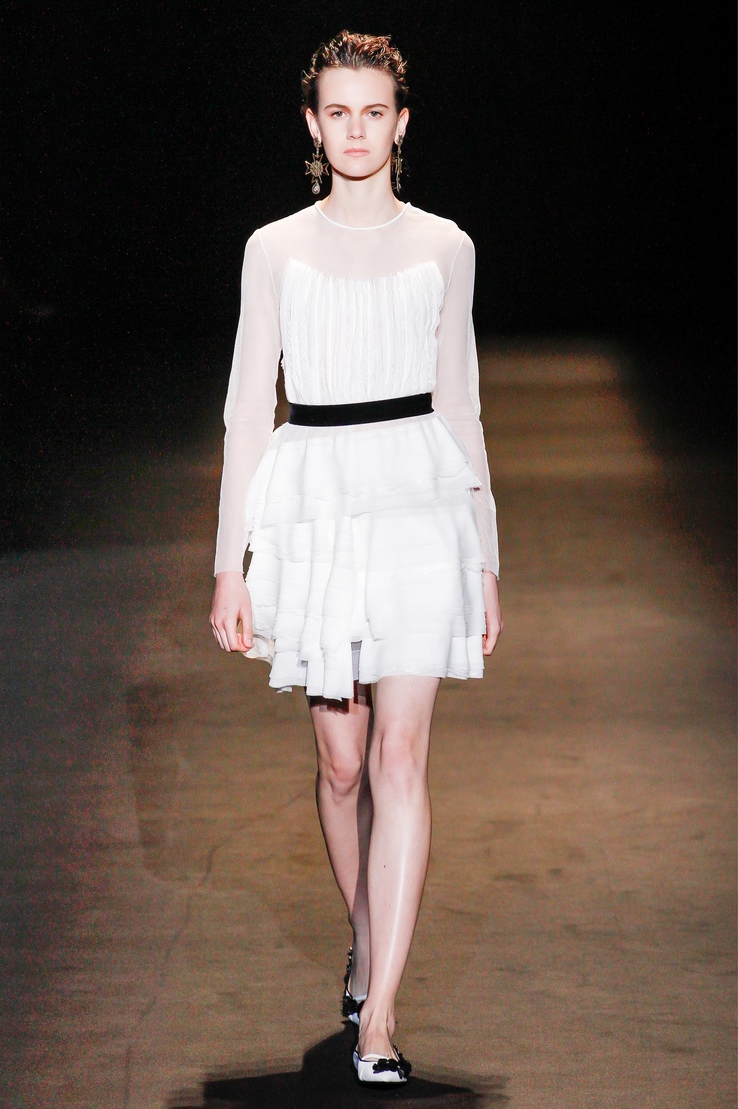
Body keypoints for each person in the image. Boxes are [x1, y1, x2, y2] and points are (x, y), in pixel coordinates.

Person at [209, 29, 502, 1086]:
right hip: (317, 505)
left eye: (374, 111)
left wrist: (484, 555)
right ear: (312, 123)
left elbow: (461, 403)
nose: (357, 129)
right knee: (341, 766)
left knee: (399, 757)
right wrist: (230, 562)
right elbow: (248, 408)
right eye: (338, 112)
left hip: (419, 503)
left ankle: (379, 1012)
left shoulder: (446, 246)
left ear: (401, 122)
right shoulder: (273, 248)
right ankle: (366, 936)